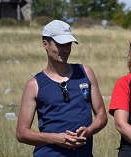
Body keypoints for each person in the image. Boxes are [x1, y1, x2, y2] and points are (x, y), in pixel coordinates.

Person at [16, 20, 108, 157]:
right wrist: (55, 139)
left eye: (68, 44)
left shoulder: (85, 73)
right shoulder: (34, 85)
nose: (65, 49)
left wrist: (89, 131)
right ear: (44, 44)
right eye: (60, 44)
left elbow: (102, 115)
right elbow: (21, 133)